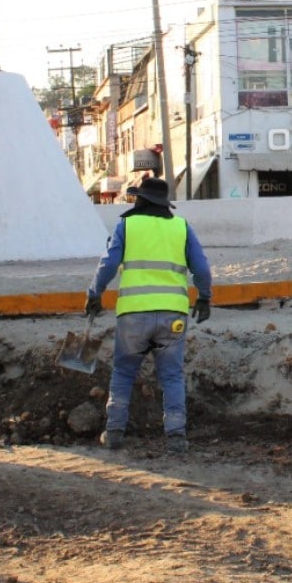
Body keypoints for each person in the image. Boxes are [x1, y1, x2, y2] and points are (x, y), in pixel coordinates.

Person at [85, 178, 212, 453]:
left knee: (123, 372)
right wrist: (204, 296)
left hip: (133, 315)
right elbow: (201, 268)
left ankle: (115, 432)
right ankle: (176, 436)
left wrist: (94, 294)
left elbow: (107, 265)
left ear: (141, 200)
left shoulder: (127, 226)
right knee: (172, 376)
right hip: (173, 316)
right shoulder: (181, 227)